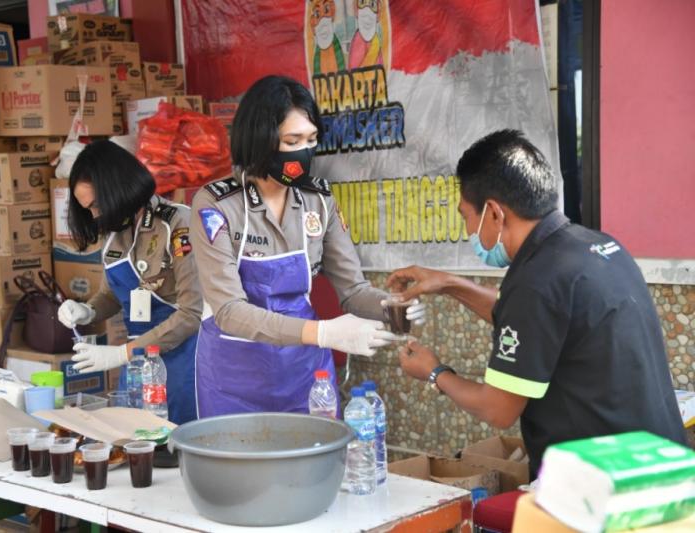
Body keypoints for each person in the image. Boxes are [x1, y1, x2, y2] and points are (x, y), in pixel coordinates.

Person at [388, 129, 686, 479]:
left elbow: (497, 410)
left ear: (495, 214)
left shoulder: (536, 280)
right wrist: (450, 284)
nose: (468, 230)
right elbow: (535, 321)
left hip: (609, 487)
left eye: (467, 216)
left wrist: (435, 372)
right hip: (663, 466)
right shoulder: (596, 247)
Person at [191, 75, 425, 417]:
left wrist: (392, 307)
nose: (305, 150)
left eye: (312, 139)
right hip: (233, 378)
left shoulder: (318, 201)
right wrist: (326, 331)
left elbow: (353, 290)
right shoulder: (216, 205)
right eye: (292, 140)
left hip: (305, 374)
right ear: (261, 141)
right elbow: (229, 311)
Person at [57, 140, 202, 425]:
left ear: (118, 188)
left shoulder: (177, 224)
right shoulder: (114, 235)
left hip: (183, 359)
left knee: (173, 447)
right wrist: (87, 311)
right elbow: (112, 295)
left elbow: (191, 314)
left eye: (97, 205)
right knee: (133, 444)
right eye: (88, 210)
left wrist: (120, 354)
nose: (95, 216)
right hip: (135, 363)